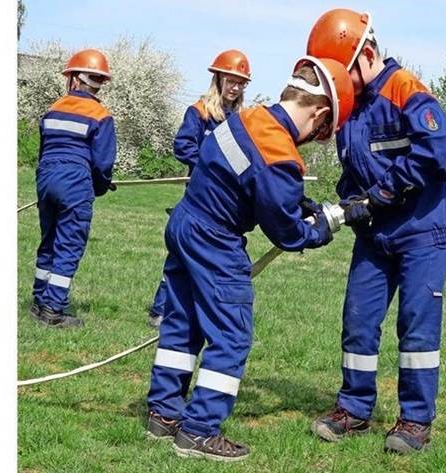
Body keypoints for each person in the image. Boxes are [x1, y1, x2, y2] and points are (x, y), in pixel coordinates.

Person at [144, 55, 355, 461]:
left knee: (183, 323)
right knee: (231, 336)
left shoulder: (249, 118)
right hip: (215, 241)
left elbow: (251, 181)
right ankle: (200, 431)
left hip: (187, 222)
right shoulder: (279, 154)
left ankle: (164, 413)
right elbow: (286, 232)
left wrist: (299, 201)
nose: (314, 139)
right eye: (323, 130)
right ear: (321, 112)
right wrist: (321, 229)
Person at [305, 9, 446, 454]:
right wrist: (340, 206)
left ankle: (415, 420)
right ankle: (353, 408)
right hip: (377, 233)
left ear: (368, 54)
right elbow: (356, 170)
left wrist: (381, 193)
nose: (339, 84)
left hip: (424, 228)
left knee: (416, 326)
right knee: (358, 319)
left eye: (343, 73)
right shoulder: (350, 107)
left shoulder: (404, 88)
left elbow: (442, 147)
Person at [148, 50, 252, 328]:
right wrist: (208, 167)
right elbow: (183, 146)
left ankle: (191, 307)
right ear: (218, 79)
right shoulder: (199, 111)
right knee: (182, 252)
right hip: (198, 195)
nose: (236, 88)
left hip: (225, 199)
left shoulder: (240, 120)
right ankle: (162, 309)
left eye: (241, 83)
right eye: (231, 81)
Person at [30, 49, 117, 328]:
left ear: (73, 78)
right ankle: (53, 310)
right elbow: (103, 163)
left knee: (49, 242)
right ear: (98, 82)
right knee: (68, 245)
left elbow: (44, 150)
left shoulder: (53, 109)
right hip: (75, 182)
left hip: (46, 178)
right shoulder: (101, 115)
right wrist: (100, 186)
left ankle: (38, 300)